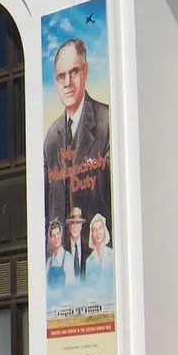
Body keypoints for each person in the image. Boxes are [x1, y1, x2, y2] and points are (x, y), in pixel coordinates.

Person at [41, 38, 111, 238]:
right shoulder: (52, 138)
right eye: (61, 76)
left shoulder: (106, 122)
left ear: (86, 71)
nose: (67, 83)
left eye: (74, 72)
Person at [83, 213, 115, 293]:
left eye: (100, 228)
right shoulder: (89, 261)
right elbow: (88, 287)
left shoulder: (112, 255)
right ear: (92, 234)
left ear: (104, 230)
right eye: (95, 230)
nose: (98, 232)